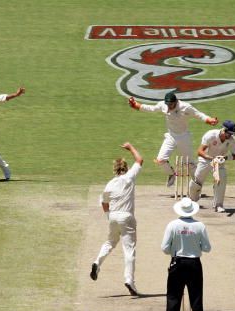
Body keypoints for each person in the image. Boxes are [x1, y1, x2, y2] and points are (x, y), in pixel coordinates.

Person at [128, 92, 218, 187]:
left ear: (176, 101)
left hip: (184, 137)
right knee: (160, 160)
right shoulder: (163, 105)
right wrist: (136, 105)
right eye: (167, 104)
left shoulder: (185, 107)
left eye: (171, 104)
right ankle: (171, 174)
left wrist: (209, 120)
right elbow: (151, 108)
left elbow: (198, 114)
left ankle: (197, 184)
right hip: (171, 136)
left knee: (189, 164)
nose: (169, 106)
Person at [90, 143, 144, 296]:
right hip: (127, 217)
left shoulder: (110, 184)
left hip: (113, 217)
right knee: (129, 250)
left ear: (115, 169)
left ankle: (97, 263)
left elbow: (104, 203)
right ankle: (129, 280)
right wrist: (131, 147)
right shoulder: (129, 177)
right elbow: (140, 160)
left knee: (110, 242)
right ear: (126, 168)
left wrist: (109, 217)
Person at [161, 198, 211, 311]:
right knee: (196, 298)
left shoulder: (172, 225)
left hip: (177, 262)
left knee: (173, 298)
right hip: (194, 263)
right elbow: (207, 248)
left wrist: (174, 252)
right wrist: (196, 248)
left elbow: (164, 247)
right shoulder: (199, 226)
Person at [189, 120, 235, 213]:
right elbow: (200, 151)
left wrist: (225, 157)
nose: (231, 136)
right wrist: (211, 158)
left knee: (221, 179)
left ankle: (218, 205)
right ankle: (192, 201)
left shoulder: (232, 140)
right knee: (197, 181)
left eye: (232, 133)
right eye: (229, 133)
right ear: (224, 130)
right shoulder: (211, 135)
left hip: (219, 162)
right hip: (205, 159)